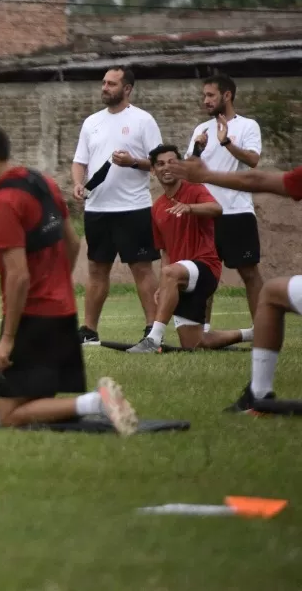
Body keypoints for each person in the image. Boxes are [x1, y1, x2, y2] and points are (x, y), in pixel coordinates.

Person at [0, 120, 137, 435]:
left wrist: (7, 340)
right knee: (35, 403)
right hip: (62, 311)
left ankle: (97, 402)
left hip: (31, 315)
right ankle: (94, 403)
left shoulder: (2, 203)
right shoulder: (44, 182)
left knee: (8, 415)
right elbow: (74, 243)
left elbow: (19, 276)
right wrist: (57, 287)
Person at [169, 157, 302, 413]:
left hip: (236, 212)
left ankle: (259, 396)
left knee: (271, 293)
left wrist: (206, 175)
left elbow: (256, 179)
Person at [127, 145, 252, 353]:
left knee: (171, 272)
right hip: (179, 277)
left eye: (172, 162)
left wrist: (190, 208)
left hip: (205, 267)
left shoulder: (195, 189)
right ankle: (251, 334)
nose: (166, 167)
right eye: (160, 164)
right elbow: (165, 251)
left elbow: (217, 209)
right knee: (195, 343)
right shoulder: (157, 207)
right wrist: (163, 286)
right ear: (152, 170)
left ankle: (153, 339)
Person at [71, 66, 164, 344]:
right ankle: (89, 330)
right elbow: (80, 161)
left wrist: (132, 161)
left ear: (127, 89)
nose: (105, 88)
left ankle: (152, 330)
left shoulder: (143, 120)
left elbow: (160, 163)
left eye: (111, 84)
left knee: (142, 268)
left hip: (133, 208)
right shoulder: (91, 122)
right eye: (104, 83)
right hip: (98, 209)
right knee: (97, 270)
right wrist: (78, 182)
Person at [184, 73, 265, 326]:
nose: (205, 100)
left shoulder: (248, 126)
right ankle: (203, 332)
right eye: (204, 95)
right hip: (207, 213)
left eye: (210, 95)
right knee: (205, 275)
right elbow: (190, 170)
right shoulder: (201, 129)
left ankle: (263, 329)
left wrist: (226, 142)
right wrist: (197, 149)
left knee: (249, 273)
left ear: (227, 95)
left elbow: (253, 160)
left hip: (237, 213)